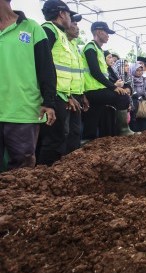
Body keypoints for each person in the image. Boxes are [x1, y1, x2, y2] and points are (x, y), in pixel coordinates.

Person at [0, 0, 56, 170]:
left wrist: (49, 102)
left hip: (22, 110)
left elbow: (46, 67)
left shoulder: (32, 28)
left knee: (22, 168)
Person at [38, 0, 78, 166]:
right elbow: (42, 65)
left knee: (59, 137)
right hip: (51, 95)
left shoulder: (60, 34)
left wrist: (67, 95)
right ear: (62, 14)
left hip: (60, 94)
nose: (70, 19)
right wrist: (49, 99)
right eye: (69, 14)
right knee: (53, 139)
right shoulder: (48, 30)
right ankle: (45, 175)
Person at [81, 21, 132, 140]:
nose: (108, 36)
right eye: (106, 33)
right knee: (122, 97)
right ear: (98, 32)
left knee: (92, 121)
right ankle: (123, 130)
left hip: (98, 89)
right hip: (93, 90)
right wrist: (113, 87)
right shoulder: (90, 47)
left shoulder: (99, 50)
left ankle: (88, 142)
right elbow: (95, 72)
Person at [65, 13, 89, 154]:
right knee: (64, 132)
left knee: (75, 131)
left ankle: (73, 161)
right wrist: (67, 95)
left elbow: (78, 73)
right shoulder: (61, 44)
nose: (77, 27)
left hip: (77, 94)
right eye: (73, 23)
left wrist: (83, 95)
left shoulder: (75, 46)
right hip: (66, 95)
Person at [130, 63, 146, 132]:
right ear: (133, 70)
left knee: (144, 124)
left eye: (141, 70)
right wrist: (137, 95)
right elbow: (130, 90)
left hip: (144, 103)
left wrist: (144, 94)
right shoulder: (130, 80)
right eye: (137, 70)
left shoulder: (144, 79)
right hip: (134, 104)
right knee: (134, 123)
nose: (139, 72)